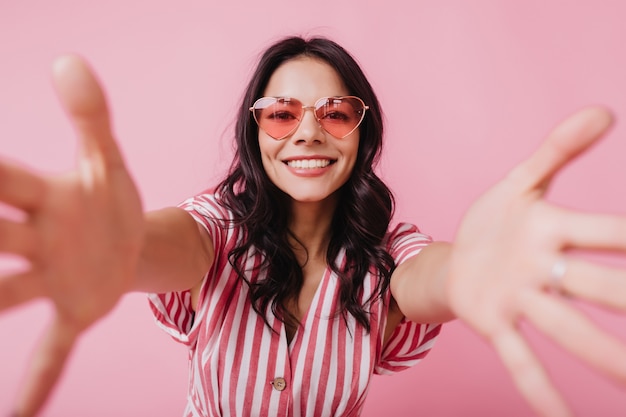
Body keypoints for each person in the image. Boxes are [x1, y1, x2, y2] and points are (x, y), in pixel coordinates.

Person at [0, 36, 625, 417]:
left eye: (334, 113)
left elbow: (424, 279)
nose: (306, 132)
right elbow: (170, 246)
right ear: (256, 132)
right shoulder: (217, 229)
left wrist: (463, 272)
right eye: (280, 115)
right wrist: (125, 248)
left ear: (362, 130)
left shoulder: (388, 253)